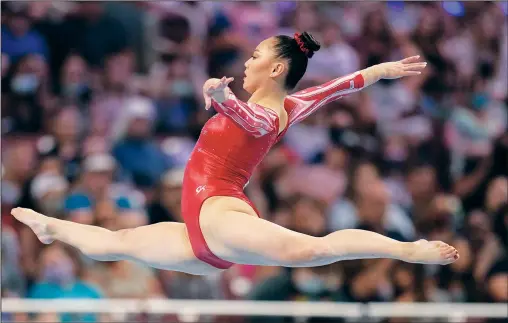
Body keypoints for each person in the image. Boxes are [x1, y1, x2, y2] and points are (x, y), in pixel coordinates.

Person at [12, 32, 459, 276]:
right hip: (202, 234)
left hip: (218, 213)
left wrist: (220, 96)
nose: (247, 62)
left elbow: (251, 121)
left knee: (311, 251)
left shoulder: (268, 115)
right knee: (115, 244)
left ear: (277, 68)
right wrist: (378, 71)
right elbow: (338, 86)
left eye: (255, 55)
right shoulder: (294, 104)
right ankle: (51, 228)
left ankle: (408, 250)